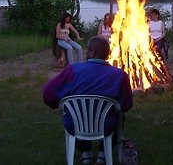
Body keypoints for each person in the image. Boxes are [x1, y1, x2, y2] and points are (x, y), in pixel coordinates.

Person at [43, 36, 133, 165]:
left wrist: (61, 105)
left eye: (87, 50)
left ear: (92, 53)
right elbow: (127, 105)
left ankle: (86, 154)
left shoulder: (73, 70)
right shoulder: (119, 75)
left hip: (75, 124)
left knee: (75, 111)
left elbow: (48, 93)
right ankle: (103, 155)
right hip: (105, 125)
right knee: (120, 116)